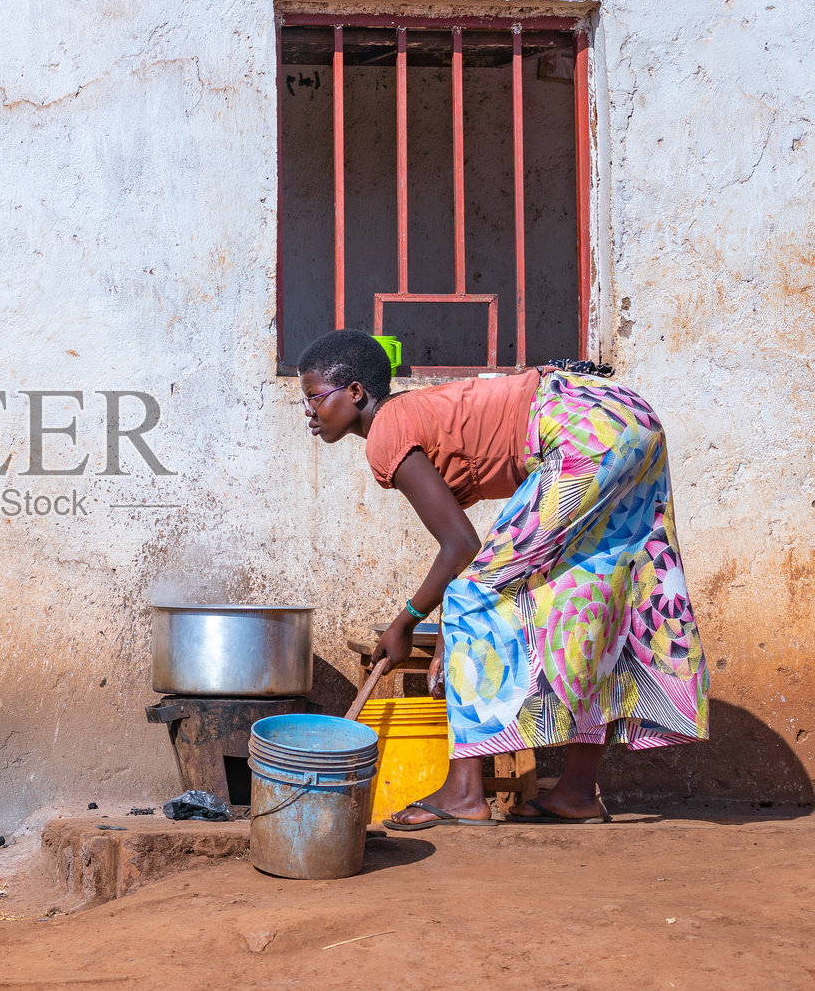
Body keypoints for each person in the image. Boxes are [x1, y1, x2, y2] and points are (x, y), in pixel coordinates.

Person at [296, 329, 708, 828]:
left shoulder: (387, 432)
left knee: (471, 598)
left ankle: (464, 792)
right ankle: (575, 792)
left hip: (584, 430)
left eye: (315, 397)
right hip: (626, 417)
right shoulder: (421, 414)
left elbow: (461, 547)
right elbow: (472, 552)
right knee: (596, 595)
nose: (309, 411)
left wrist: (405, 621)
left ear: (356, 392)